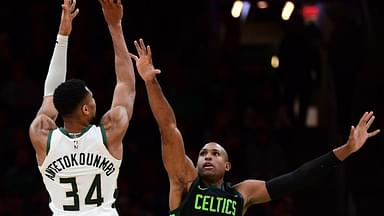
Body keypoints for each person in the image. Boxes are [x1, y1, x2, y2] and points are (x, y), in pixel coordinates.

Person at [130, 39, 380, 216]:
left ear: (227, 166)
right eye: (203, 153)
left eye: (215, 153)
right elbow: (168, 128)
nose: (207, 156)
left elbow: (297, 178)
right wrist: (150, 83)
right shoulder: (185, 181)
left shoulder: (243, 193)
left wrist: (347, 149)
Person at [28, 0, 135, 215]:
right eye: (91, 98)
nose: (94, 101)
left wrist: (63, 36)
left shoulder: (41, 135)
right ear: (86, 110)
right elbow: (126, 84)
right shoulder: (110, 133)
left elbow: (50, 95)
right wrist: (115, 25)